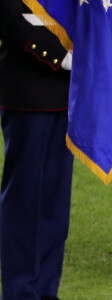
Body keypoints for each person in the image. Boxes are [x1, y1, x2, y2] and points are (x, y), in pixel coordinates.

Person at [0, 1, 73, 299]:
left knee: (55, 203)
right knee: (25, 201)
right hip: (28, 91)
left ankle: (46, 289)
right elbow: (9, 17)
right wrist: (61, 57)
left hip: (67, 93)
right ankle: (20, 292)